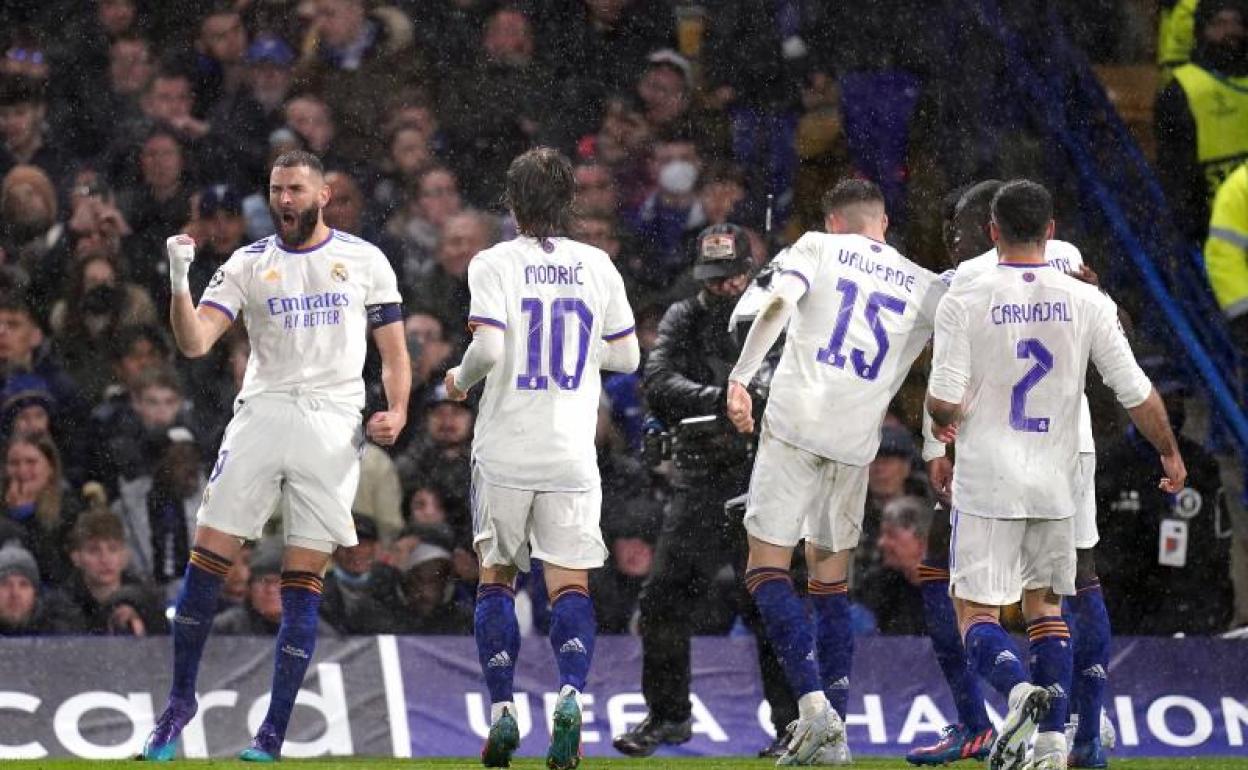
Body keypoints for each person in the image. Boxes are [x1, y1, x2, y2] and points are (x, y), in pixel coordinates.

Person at [142, 149, 409, 762]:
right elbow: (194, 343)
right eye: (275, 190)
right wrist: (179, 279)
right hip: (262, 412)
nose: (283, 200)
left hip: (331, 422)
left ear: (324, 193)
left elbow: (394, 354)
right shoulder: (246, 263)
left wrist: (397, 409)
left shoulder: (364, 260)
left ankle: (272, 732)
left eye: (295, 189)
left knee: (301, 581)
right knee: (207, 559)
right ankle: (180, 701)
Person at [925, 180, 1186, 770]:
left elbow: (942, 402)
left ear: (992, 232)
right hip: (1062, 472)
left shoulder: (964, 291)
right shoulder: (1082, 290)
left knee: (974, 610)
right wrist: (1168, 450)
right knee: (1054, 604)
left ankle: (1018, 695)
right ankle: (1062, 741)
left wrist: (944, 427)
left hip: (990, 473)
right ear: (1051, 228)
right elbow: (1135, 389)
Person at [725, 179, 946, 765]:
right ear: (884, 222)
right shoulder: (926, 285)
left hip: (795, 426)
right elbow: (954, 365)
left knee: (766, 567)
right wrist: (933, 446)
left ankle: (813, 709)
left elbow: (775, 303)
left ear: (833, 220)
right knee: (830, 582)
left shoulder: (816, 247)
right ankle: (837, 738)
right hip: (854, 445)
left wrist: (741, 376)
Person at [441, 147, 639, 769]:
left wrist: (456, 379)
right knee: (570, 583)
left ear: (511, 201)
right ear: (569, 201)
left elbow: (490, 349)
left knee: (496, 577)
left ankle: (503, 712)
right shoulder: (597, 265)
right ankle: (572, 697)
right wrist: (579, 356)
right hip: (572, 450)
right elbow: (629, 358)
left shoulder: (493, 262)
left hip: (505, 448)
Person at [613, 223, 798, 760]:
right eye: (714, 278)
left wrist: (723, 404)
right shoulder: (684, 315)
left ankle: (790, 724)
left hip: (758, 474)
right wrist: (727, 401)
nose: (722, 288)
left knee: (767, 602)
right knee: (664, 599)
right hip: (699, 476)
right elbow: (656, 381)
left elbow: (783, 384)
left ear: (750, 270)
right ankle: (668, 715)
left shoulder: (773, 315)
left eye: (732, 277)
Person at [1154, 0, 1248, 243]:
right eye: (1219, 24)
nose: (1229, 32)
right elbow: (1177, 174)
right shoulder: (1181, 92)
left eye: (1235, 24)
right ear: (1202, 31)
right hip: (1215, 231)